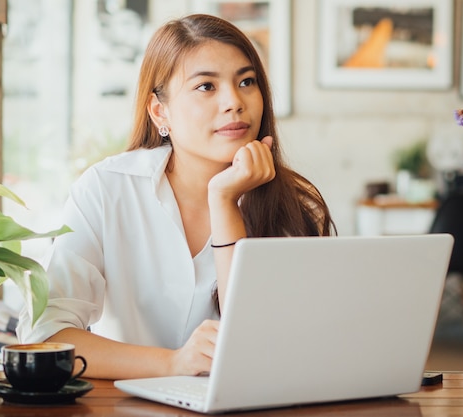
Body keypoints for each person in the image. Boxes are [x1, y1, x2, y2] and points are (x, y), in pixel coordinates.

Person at [17, 13, 335, 380]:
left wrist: (224, 201)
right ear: (159, 111)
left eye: (246, 81)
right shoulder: (107, 189)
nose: (234, 101)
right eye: (206, 86)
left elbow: (269, 352)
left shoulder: (294, 207)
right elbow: (46, 336)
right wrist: (172, 364)